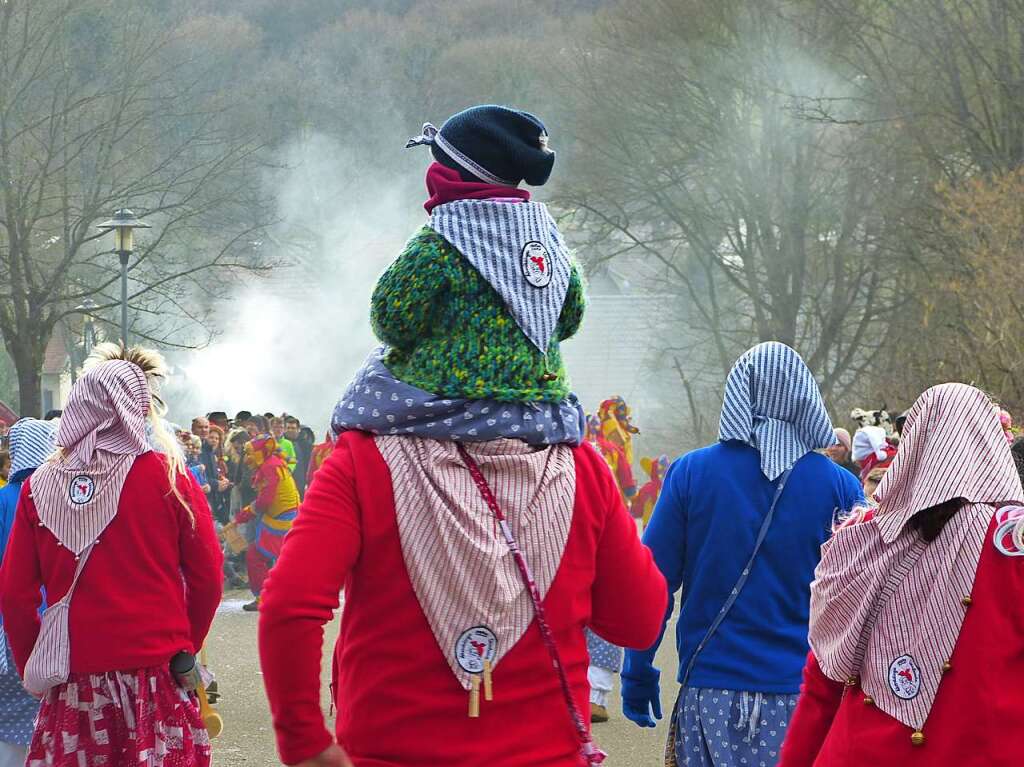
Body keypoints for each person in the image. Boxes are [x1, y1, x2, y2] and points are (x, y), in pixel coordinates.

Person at [259, 104, 667, 767]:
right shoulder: (581, 468)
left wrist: (306, 744)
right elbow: (639, 619)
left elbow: (288, 607)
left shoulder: (364, 462)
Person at [622, 342, 864, 766]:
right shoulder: (840, 488)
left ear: (738, 391)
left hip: (708, 692)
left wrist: (637, 671)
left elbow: (652, 586)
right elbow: (857, 606)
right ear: (804, 395)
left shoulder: (691, 472)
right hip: (801, 700)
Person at [780, 383, 1024, 766]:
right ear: (992, 447)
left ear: (913, 447)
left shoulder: (862, 536)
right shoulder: (1012, 543)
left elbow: (822, 684)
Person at [0, 348, 223, 767]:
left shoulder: (37, 489)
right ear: (136, 407)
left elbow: (14, 596)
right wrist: (183, 644)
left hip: (72, 682)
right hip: (155, 676)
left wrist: (38, 666)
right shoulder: (168, 476)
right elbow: (208, 578)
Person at [0, 418, 57, 767]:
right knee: (48, 711)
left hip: (8, 626)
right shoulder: (61, 498)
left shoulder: (5, 499)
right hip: (55, 623)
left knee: (7, 717)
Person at [234, 435, 299, 612]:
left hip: (281, 520)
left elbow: (265, 501)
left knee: (255, 555)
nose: (246, 458)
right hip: (284, 517)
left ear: (260, 453)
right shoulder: (273, 463)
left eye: (249, 453)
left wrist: (244, 514)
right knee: (282, 560)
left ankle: (264, 598)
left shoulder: (270, 467)